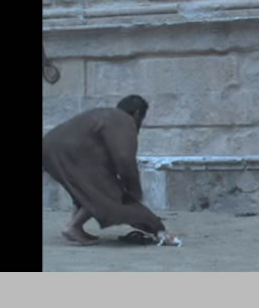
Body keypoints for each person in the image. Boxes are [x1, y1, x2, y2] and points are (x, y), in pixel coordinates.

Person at [42, 95, 166, 245]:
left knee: (86, 189)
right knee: (109, 191)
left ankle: (75, 227)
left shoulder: (105, 115)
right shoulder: (124, 120)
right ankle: (73, 227)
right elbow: (124, 158)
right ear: (138, 113)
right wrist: (133, 191)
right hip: (68, 150)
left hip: (49, 147)